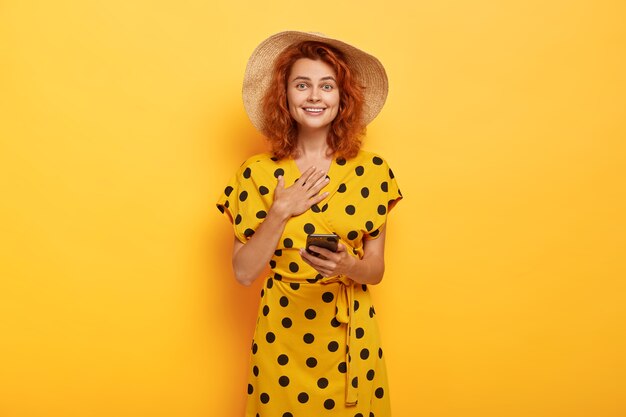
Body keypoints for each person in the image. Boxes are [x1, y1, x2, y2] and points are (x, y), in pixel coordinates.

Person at [216, 31, 402, 417]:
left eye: (326, 86)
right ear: (285, 96)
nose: (314, 96)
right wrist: (281, 210)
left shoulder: (374, 171)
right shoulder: (256, 174)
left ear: (342, 97)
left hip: (351, 338)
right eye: (302, 85)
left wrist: (349, 266)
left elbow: (376, 269)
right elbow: (243, 273)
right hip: (282, 337)